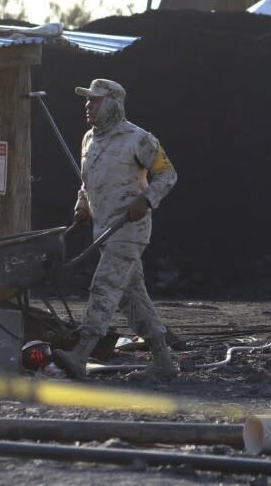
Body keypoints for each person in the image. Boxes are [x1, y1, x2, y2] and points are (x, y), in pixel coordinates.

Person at [52, 78, 178, 382]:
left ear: (111, 104)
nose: (87, 106)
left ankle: (80, 355)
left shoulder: (139, 139)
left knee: (105, 287)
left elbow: (168, 175)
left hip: (129, 229)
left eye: (94, 101)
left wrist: (146, 200)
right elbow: (88, 181)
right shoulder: (88, 140)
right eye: (87, 100)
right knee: (132, 297)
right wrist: (82, 203)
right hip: (103, 229)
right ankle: (163, 361)